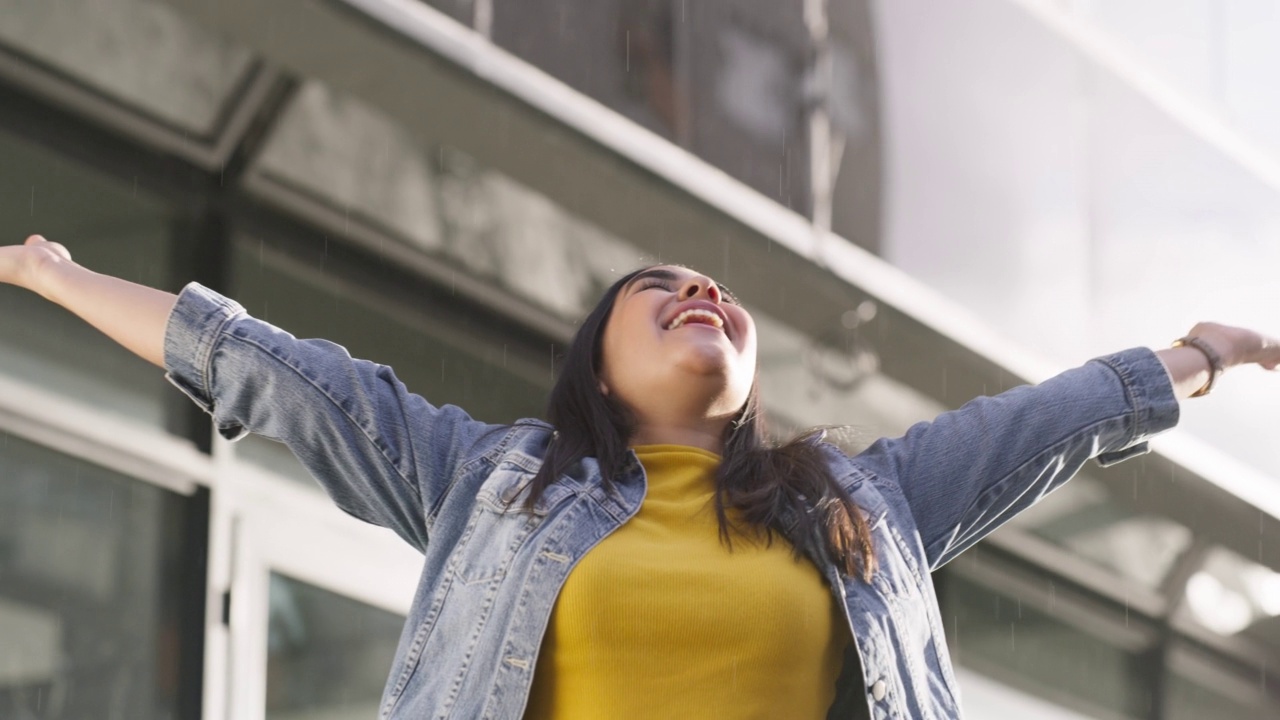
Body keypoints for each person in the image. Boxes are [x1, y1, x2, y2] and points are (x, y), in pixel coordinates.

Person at [4, 234, 1277, 719]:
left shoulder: (856, 505)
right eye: (655, 291)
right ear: (598, 373)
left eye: (714, 291)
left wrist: (1200, 355)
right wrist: (54, 278)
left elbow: (1046, 422)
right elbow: (275, 374)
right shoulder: (490, 485)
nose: (699, 293)